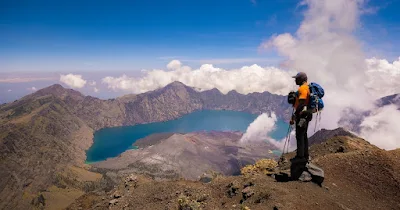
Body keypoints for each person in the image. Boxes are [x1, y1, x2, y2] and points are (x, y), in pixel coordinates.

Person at [290, 72, 313, 161]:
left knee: (299, 135)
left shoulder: (303, 88)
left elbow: (302, 102)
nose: (295, 80)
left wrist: (295, 115)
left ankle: (300, 157)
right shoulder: (306, 87)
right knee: (303, 135)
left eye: (296, 78)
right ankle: (305, 155)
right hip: (306, 115)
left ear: (301, 79)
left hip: (302, 116)